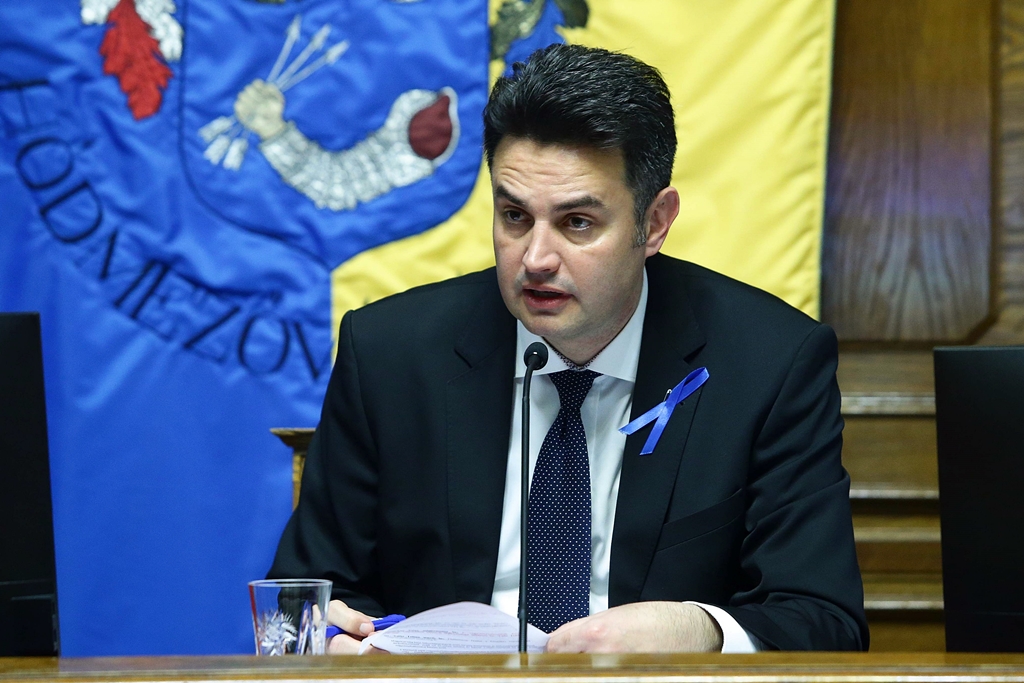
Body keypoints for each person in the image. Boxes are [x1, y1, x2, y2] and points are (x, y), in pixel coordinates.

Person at [268, 43, 869, 653]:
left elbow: (823, 620)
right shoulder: (391, 354)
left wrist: (700, 630)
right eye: (514, 216)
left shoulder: (769, 362)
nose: (535, 258)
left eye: (577, 222)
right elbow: (301, 602)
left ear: (655, 222)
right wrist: (332, 640)